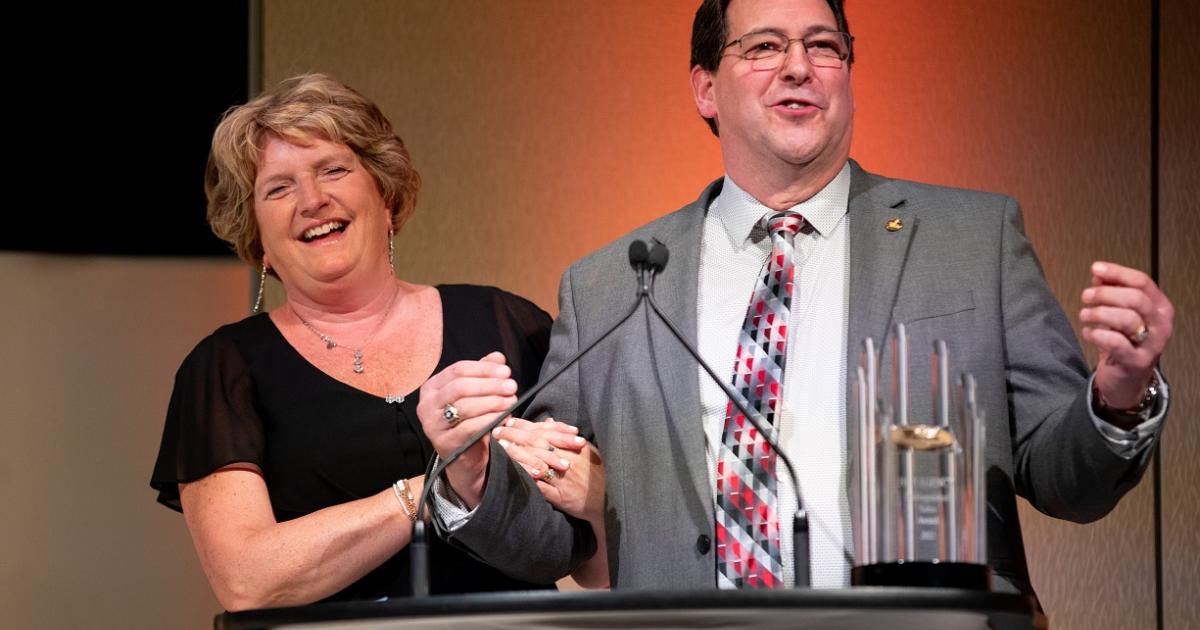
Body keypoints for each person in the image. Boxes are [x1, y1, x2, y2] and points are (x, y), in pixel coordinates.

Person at [422, 0, 1175, 600]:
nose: (798, 67)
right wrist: (470, 474)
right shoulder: (611, 284)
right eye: (763, 46)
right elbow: (554, 540)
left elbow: (1068, 482)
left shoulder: (973, 240)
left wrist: (1117, 397)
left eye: (824, 46)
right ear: (705, 88)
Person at [149, 73, 592, 611]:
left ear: (386, 195)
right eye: (279, 188)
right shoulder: (223, 369)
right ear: (257, 237)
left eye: (333, 170)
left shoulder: (508, 323)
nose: (312, 200)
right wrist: (434, 488)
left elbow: (589, 551)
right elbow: (247, 581)